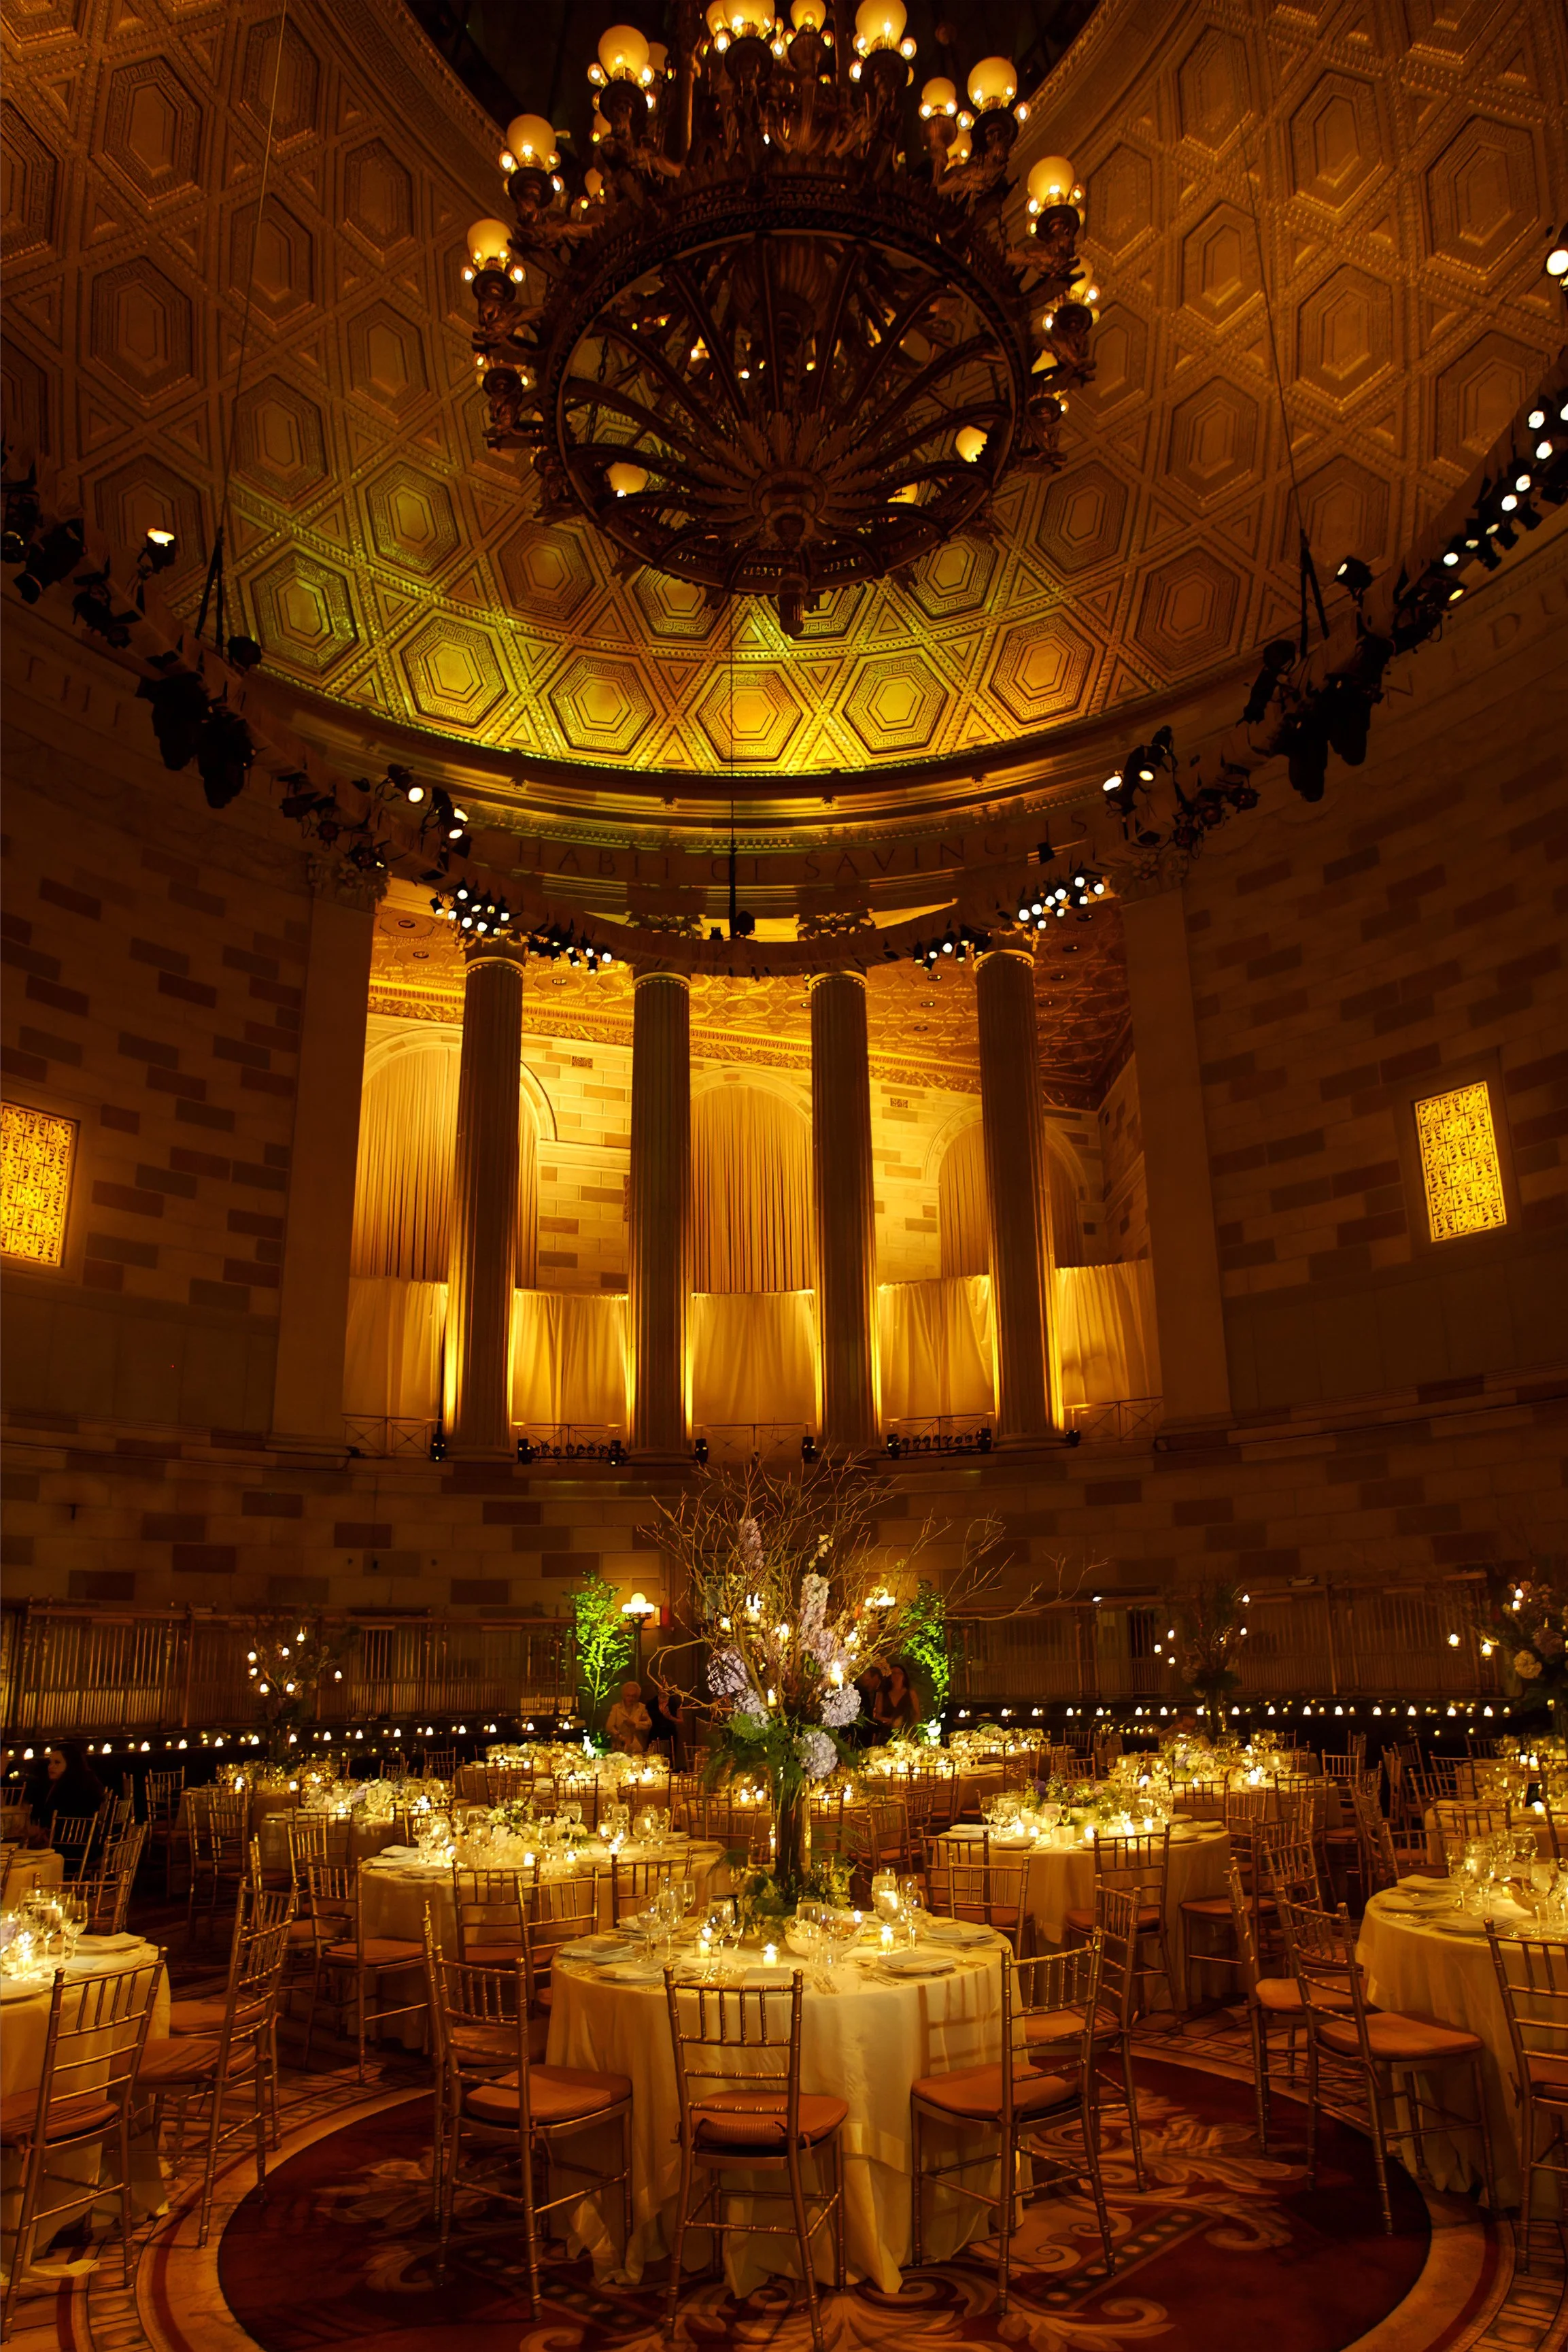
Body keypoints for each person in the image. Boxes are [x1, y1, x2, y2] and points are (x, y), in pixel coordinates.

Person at [25, 1739, 107, 1842]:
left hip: (68, 1845)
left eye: (57, 1763)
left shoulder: (71, 1789)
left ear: (71, 1764)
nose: (51, 1767)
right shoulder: (84, 1781)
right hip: (86, 1844)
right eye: (50, 1762)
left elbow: (60, 1826)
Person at [604, 1681, 652, 1756]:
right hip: (620, 1748)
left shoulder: (641, 1707)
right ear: (624, 1696)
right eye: (628, 1696)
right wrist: (621, 1738)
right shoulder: (616, 1708)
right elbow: (609, 1727)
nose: (631, 1698)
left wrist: (635, 1725)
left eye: (634, 1696)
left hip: (638, 1748)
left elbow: (649, 1724)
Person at [647, 1677, 683, 1766]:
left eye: (666, 1687)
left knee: (669, 1759)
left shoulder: (676, 1702)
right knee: (654, 1759)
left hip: (669, 1733)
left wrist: (670, 1717)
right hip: (655, 1733)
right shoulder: (651, 1703)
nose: (663, 1689)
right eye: (661, 1687)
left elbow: (681, 1721)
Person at [879, 1663, 920, 1736]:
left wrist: (907, 1723)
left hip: (907, 1733)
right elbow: (877, 1716)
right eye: (894, 1673)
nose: (897, 1676)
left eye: (900, 1673)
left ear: (904, 1676)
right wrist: (890, 1721)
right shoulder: (882, 1694)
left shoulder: (911, 1693)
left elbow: (917, 1714)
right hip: (887, 1734)